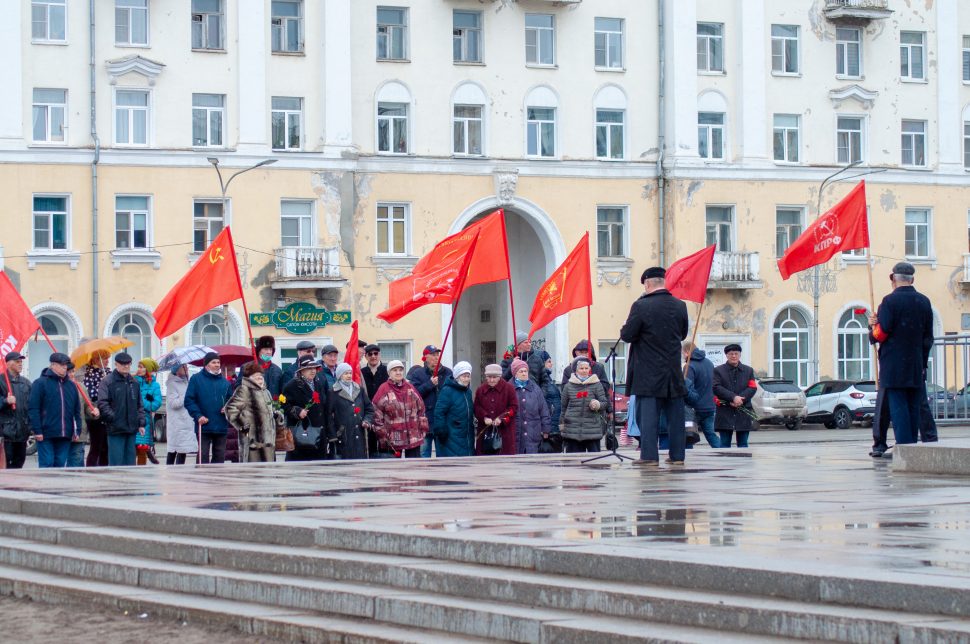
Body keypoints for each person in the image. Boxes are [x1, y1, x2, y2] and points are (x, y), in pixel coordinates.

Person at [620, 266, 689, 465]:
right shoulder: (680, 305)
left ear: (647, 283)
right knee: (676, 418)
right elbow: (683, 334)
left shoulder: (641, 306)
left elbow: (628, 335)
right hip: (673, 372)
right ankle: (677, 457)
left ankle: (649, 456)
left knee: (648, 418)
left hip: (648, 373)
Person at [868, 261, 935, 447]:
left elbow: (882, 333)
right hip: (916, 365)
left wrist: (872, 328)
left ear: (893, 280)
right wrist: (922, 362)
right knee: (914, 410)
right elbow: (928, 337)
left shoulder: (889, 301)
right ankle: (913, 446)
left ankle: (905, 449)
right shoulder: (924, 301)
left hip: (893, 367)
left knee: (899, 411)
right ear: (912, 279)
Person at [28, 352, 82, 468]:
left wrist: (77, 430)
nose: (65, 367)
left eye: (66, 364)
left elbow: (76, 410)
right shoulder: (40, 383)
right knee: (47, 463)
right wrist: (37, 430)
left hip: (65, 433)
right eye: (61, 364)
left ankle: (57, 486)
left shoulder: (71, 386)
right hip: (46, 433)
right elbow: (33, 408)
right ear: (53, 365)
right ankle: (45, 486)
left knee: (60, 465)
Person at [226, 361, 282, 463]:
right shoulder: (244, 390)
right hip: (252, 441)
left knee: (268, 474)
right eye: (256, 376)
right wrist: (243, 426)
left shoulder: (266, 392)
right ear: (249, 378)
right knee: (253, 473)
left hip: (268, 442)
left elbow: (271, 410)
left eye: (261, 375)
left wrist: (277, 416)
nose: (260, 378)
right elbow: (230, 409)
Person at [95, 352, 145, 466]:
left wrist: (141, 423)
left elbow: (139, 404)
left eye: (128, 364)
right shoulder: (107, 381)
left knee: (130, 462)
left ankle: (129, 483)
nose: (126, 366)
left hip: (131, 428)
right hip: (115, 429)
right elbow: (102, 403)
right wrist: (113, 418)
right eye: (122, 364)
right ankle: (116, 483)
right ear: (116, 364)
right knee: (116, 462)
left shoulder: (134, 382)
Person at [372, 360, 427, 458]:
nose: (398, 372)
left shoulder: (410, 388)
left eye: (400, 370)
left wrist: (422, 430)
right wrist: (383, 435)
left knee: (415, 469)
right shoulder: (383, 389)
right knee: (393, 471)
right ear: (389, 373)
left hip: (413, 438)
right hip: (392, 440)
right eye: (395, 370)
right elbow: (376, 414)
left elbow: (421, 410)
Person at [184, 351, 232, 464]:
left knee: (220, 456)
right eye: (213, 362)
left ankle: (217, 478)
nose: (217, 365)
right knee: (203, 456)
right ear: (206, 365)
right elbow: (189, 400)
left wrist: (227, 408)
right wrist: (198, 415)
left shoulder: (225, 383)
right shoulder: (196, 379)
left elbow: (232, 401)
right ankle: (201, 479)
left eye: (218, 362)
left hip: (221, 424)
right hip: (203, 424)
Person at [281, 355, 329, 461]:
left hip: (319, 432)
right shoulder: (292, 385)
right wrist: (297, 411)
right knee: (302, 465)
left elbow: (324, 405)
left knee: (320, 466)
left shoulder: (318, 383)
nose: (313, 371)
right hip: (302, 432)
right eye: (309, 369)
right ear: (301, 371)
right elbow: (284, 405)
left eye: (314, 368)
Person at [407, 345, 452, 457]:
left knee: (443, 457)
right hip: (424, 423)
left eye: (438, 354)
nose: (436, 357)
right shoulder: (418, 374)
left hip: (442, 422)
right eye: (433, 355)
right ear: (425, 357)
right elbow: (413, 395)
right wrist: (429, 385)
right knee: (423, 457)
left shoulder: (448, 373)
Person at [560, 357, 611, 453]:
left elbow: (604, 403)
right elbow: (563, 407)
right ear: (576, 370)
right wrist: (562, 425)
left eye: (586, 368)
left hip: (592, 430)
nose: (584, 371)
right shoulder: (568, 386)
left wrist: (598, 404)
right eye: (581, 368)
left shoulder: (597, 384)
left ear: (590, 369)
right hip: (572, 431)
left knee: (595, 462)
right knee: (573, 463)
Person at [712, 344, 757, 448]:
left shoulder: (748, 370)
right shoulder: (718, 370)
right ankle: (725, 464)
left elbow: (752, 388)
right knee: (724, 444)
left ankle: (744, 464)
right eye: (730, 354)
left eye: (736, 353)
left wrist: (740, 399)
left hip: (743, 410)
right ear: (726, 355)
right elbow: (716, 387)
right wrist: (733, 397)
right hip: (725, 411)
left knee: (743, 444)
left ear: (740, 355)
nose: (733, 356)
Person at [329, 362, 374, 460]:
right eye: (346, 373)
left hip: (360, 433)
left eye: (350, 373)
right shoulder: (333, 392)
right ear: (340, 375)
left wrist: (367, 421)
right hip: (343, 434)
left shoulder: (359, 389)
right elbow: (328, 416)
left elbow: (369, 409)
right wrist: (333, 436)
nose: (349, 375)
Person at [433, 361, 476, 458]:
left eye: (468, 376)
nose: (466, 379)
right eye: (463, 376)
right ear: (457, 377)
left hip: (466, 436)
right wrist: (441, 432)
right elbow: (439, 412)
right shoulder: (447, 391)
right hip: (450, 437)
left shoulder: (468, 392)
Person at [473, 363, 518, 455]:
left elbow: (514, 407)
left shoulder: (509, 388)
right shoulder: (481, 389)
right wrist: (484, 417)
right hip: (485, 432)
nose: (491, 380)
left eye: (494, 377)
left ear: (500, 377)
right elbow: (477, 407)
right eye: (489, 377)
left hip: (505, 432)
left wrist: (501, 418)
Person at [510, 358, 551, 454]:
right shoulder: (509, 389)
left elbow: (543, 410)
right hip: (515, 433)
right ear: (515, 373)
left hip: (533, 433)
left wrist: (546, 429)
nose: (524, 374)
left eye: (526, 371)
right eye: (521, 371)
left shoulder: (535, 389)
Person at [683, 342, 720, 448]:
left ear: (686, 352)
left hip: (693, 409)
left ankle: (687, 459)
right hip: (709, 406)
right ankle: (724, 454)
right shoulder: (709, 363)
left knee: (688, 436)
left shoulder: (689, 366)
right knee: (711, 435)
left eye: (683, 353)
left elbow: (687, 389)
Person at [0, 351, 32, 469]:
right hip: (6, 433)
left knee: (19, 463)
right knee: (6, 464)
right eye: (17, 361)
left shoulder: (26, 383)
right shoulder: (1, 381)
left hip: (22, 432)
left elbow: (31, 406)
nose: (20, 364)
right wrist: (5, 401)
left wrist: (30, 426)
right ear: (8, 364)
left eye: (21, 362)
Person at [361, 344, 391, 458]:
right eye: (370, 354)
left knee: (386, 444)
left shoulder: (387, 371)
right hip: (368, 414)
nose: (373, 356)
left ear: (379, 355)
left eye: (376, 353)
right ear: (366, 356)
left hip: (385, 414)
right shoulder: (361, 372)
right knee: (370, 445)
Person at [82, 349, 111, 466]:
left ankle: (105, 470)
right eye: (104, 358)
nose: (107, 361)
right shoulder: (89, 373)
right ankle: (91, 469)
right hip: (96, 415)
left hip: (108, 413)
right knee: (96, 446)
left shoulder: (109, 373)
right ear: (96, 359)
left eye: (108, 358)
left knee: (106, 447)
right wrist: (103, 385)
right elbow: (91, 394)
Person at [165, 363, 196, 464]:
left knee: (183, 450)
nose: (186, 368)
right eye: (184, 366)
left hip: (186, 421)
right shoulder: (172, 384)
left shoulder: (186, 382)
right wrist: (186, 395)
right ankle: (170, 471)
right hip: (177, 423)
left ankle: (180, 472)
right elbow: (174, 403)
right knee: (173, 450)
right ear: (177, 369)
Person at [135, 358, 161, 465]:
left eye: (142, 367)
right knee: (131, 449)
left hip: (145, 420)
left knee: (141, 448)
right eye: (139, 367)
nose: (139, 369)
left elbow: (155, 404)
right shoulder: (133, 381)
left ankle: (141, 472)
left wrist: (142, 400)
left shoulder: (155, 385)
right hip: (131, 418)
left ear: (148, 370)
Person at [541, 354, 562, 445]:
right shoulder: (541, 379)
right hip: (549, 427)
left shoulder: (548, 378)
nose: (551, 364)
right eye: (549, 361)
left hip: (554, 424)